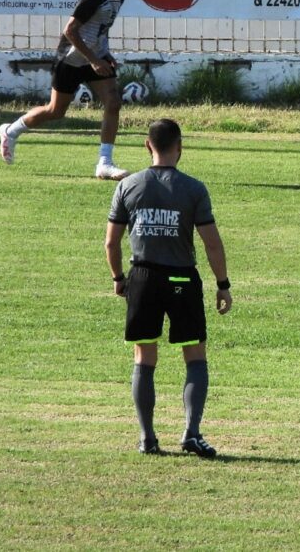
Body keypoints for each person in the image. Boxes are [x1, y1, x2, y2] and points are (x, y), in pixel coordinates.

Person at [105, 119, 233, 457]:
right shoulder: (194, 189)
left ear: (148, 145)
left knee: (144, 357)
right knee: (195, 355)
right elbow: (212, 243)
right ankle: (191, 433)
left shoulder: (128, 185)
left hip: (143, 278)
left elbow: (111, 242)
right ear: (180, 147)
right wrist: (223, 285)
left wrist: (119, 278)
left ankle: (147, 438)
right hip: (182, 280)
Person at [0, 0, 133, 179]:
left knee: (113, 102)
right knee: (55, 111)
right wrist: (93, 60)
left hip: (95, 56)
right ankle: (11, 130)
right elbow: (70, 30)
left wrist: (105, 54)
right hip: (71, 58)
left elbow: (99, 29)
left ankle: (105, 163)